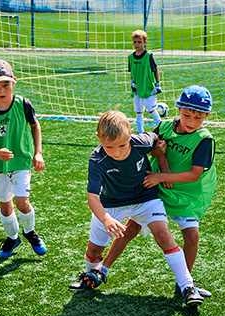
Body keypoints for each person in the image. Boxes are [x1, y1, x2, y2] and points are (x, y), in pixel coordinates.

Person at [84, 85, 216, 298]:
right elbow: (155, 147)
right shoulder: (163, 128)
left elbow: (194, 174)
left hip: (185, 193)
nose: (191, 121)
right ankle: (102, 269)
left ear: (206, 116)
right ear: (179, 109)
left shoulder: (204, 140)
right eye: (186, 115)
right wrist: (160, 168)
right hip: (152, 187)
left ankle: (185, 282)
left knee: (191, 235)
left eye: (198, 117)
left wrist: (162, 174)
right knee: (131, 227)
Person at [68, 110, 204, 306]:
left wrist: (163, 165)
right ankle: (92, 274)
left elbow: (157, 142)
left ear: (131, 133)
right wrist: (106, 219)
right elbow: (92, 198)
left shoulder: (141, 141)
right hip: (111, 205)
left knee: (164, 235)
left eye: (122, 145)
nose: (117, 151)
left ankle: (187, 286)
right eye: (109, 147)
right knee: (94, 248)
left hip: (145, 199)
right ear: (98, 138)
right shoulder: (97, 160)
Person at [0, 59, 47, 258]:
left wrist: (38, 152)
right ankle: (13, 238)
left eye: (6, 85)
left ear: (13, 82)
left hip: (21, 162)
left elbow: (35, 126)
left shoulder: (22, 104)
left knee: (22, 202)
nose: (2, 90)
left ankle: (30, 233)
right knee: (5, 207)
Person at [129, 29, 162, 134]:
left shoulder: (148, 56)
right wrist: (132, 82)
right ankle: (140, 132)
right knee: (138, 112)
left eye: (139, 42)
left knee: (151, 110)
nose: (137, 44)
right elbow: (132, 72)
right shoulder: (130, 57)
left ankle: (162, 129)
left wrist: (157, 84)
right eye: (135, 42)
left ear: (145, 42)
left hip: (148, 88)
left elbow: (155, 69)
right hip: (137, 89)